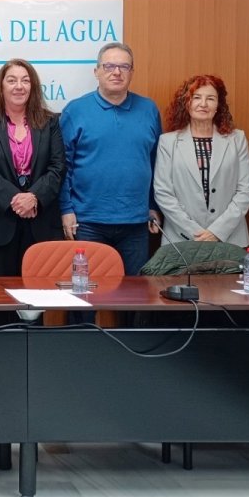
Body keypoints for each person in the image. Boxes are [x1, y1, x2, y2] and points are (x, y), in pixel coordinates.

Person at [59, 42, 161, 323]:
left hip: (136, 223)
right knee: (82, 299)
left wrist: (153, 205)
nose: (117, 72)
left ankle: (132, 349)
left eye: (124, 66)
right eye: (109, 66)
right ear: (97, 71)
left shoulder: (149, 110)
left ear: (132, 72)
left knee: (135, 298)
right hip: (88, 222)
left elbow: (155, 162)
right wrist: (66, 209)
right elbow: (62, 166)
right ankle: (80, 346)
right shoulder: (75, 111)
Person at [0, 59, 65, 326]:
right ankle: (0, 350)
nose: (19, 86)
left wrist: (34, 197)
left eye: (25, 80)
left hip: (40, 224)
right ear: (1, 86)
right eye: (12, 80)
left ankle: (33, 350)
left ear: (33, 86)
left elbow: (58, 167)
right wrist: (16, 199)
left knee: (35, 300)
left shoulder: (50, 121)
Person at [153, 74, 249, 248]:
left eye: (211, 98)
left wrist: (217, 231)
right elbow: (163, 192)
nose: (203, 104)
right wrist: (195, 232)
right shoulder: (167, 142)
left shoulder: (237, 139)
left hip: (229, 239)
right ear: (187, 103)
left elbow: (245, 190)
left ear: (218, 105)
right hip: (181, 239)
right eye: (196, 97)